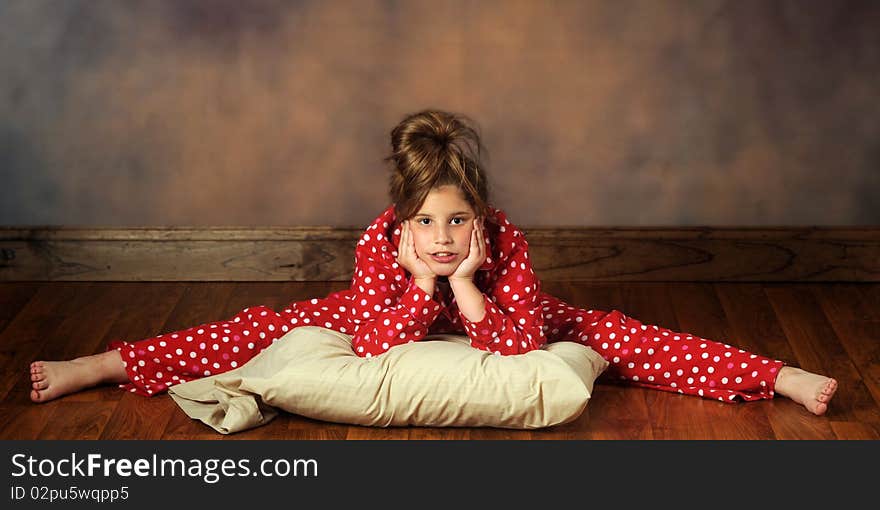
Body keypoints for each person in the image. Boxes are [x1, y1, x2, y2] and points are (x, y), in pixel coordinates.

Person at [29, 109, 838, 416]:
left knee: (621, 333)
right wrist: (422, 284)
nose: (445, 234)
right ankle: (102, 364)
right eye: (429, 224)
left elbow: (523, 344)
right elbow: (375, 345)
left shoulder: (504, 243)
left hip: (496, 314)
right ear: (403, 222)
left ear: (479, 218)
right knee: (261, 327)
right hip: (389, 309)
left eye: (458, 221)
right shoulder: (382, 243)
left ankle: (773, 377)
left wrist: (466, 289)